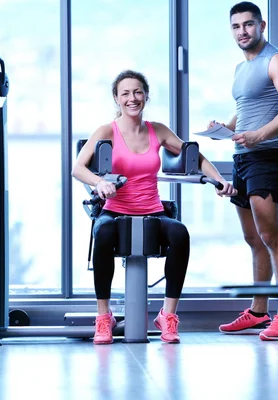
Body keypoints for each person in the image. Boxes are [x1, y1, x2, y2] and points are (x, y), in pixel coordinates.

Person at [72, 70, 237, 345]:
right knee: (102, 232)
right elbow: (78, 168)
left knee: (180, 233)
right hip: (115, 209)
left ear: (146, 96)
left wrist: (219, 179)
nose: (132, 98)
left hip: (152, 210)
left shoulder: (157, 130)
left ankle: (167, 315)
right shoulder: (106, 132)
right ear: (116, 98)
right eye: (125, 93)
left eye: (137, 92)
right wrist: (99, 183)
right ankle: (104, 317)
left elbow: (194, 157)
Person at [213, 2, 278, 341]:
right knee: (253, 239)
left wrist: (260, 135)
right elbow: (248, 109)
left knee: (271, 236)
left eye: (249, 25)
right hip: (243, 157)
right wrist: (225, 127)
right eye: (236, 26)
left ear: (262, 25)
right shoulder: (242, 68)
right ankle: (257, 312)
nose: (242, 31)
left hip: (267, 155)